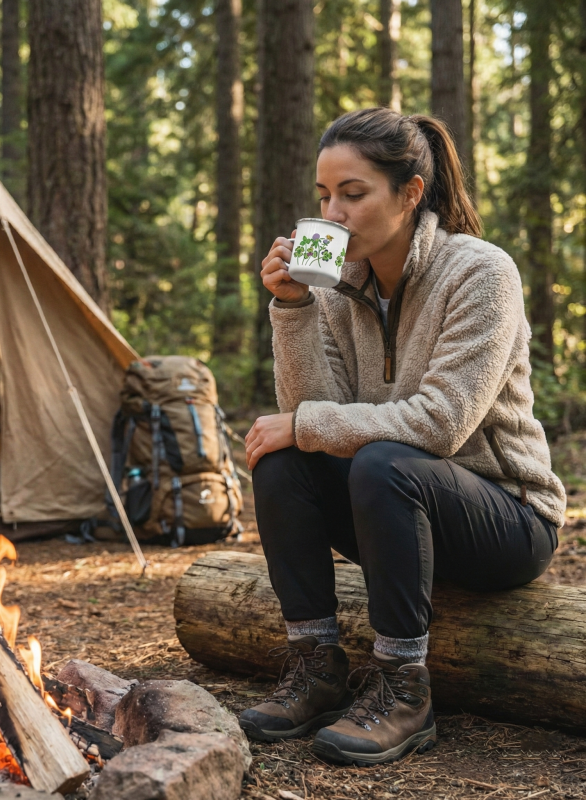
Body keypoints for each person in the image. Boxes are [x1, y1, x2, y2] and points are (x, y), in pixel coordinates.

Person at [239, 107, 565, 767]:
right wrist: (294, 306)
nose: (333, 212)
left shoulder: (481, 274)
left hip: (506, 518)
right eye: (324, 195)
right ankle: (316, 663)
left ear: (410, 193)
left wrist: (307, 425)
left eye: (353, 194)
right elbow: (310, 414)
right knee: (282, 460)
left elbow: (440, 422)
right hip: (393, 511)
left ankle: (402, 686)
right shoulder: (335, 284)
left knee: (385, 461)